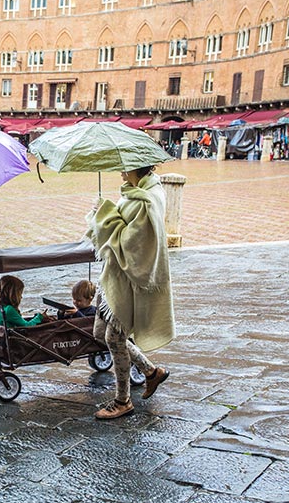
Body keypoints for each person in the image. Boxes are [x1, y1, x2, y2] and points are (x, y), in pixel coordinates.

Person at [86, 165, 175, 420]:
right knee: (100, 333)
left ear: (137, 168)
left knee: (114, 338)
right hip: (113, 276)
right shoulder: (135, 193)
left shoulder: (147, 200)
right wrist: (101, 215)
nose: (121, 173)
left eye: (125, 169)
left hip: (128, 281)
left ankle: (122, 400)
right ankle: (150, 372)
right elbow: (119, 225)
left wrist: (105, 216)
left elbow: (133, 243)